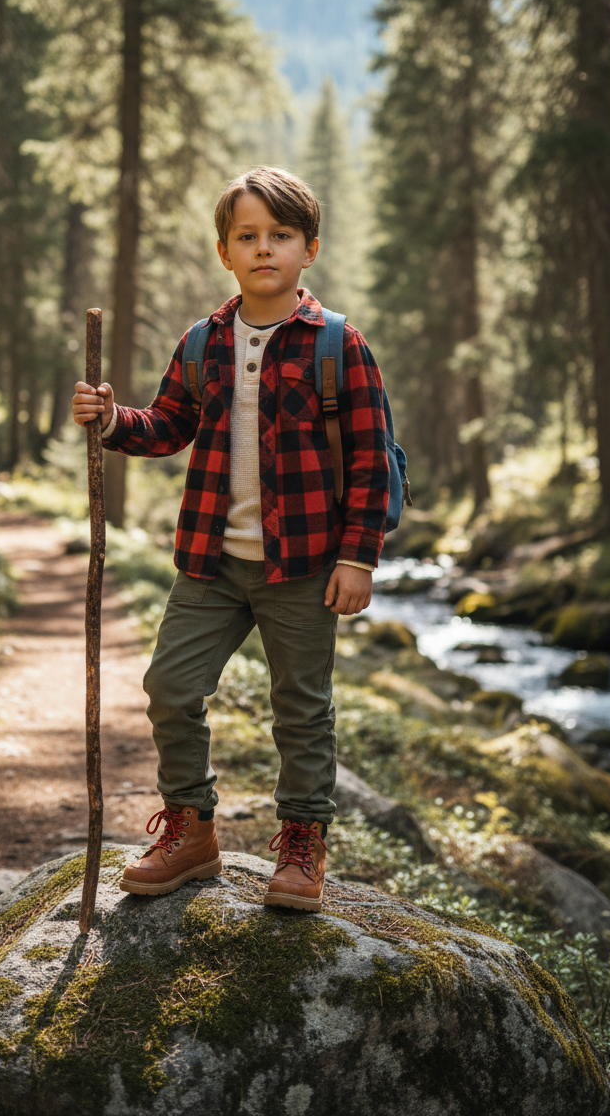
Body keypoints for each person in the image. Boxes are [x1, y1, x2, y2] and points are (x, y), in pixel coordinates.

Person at [72, 166, 389, 911]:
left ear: (310, 248)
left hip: (306, 565)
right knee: (170, 689)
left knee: (302, 707)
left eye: (280, 235)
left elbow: (372, 461)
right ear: (225, 252)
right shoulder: (203, 341)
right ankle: (191, 830)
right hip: (211, 562)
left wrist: (358, 558)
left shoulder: (338, 345)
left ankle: (303, 844)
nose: (264, 249)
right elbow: (171, 424)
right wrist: (115, 419)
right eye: (247, 236)